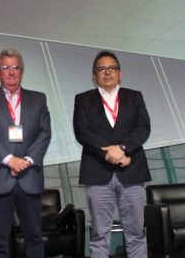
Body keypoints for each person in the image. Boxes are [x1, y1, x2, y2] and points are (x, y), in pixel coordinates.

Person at [73, 50, 151, 258]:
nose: (107, 72)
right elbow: (82, 132)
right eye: (102, 69)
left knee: (136, 234)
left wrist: (123, 149)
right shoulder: (83, 99)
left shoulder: (135, 97)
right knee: (99, 235)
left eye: (112, 68)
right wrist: (111, 153)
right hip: (97, 172)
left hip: (131, 171)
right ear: (94, 75)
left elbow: (143, 128)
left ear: (120, 73)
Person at [0, 48, 52, 258]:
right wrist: (9, 160)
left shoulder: (38, 99)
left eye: (15, 67)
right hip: (0, 176)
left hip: (30, 175)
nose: (11, 72)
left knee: (34, 237)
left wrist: (26, 161)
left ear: (22, 72)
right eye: (5, 68)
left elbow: (45, 132)